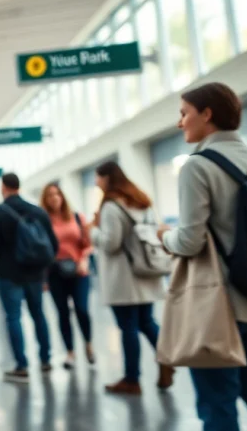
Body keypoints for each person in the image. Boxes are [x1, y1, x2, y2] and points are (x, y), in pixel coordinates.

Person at [159, 82, 247, 430]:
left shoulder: (197, 166)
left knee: (218, 405)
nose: (180, 123)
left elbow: (189, 241)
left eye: (184, 113)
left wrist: (163, 236)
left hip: (219, 304)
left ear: (207, 114)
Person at [89, 161, 173, 395]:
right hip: (146, 272)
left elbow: (111, 243)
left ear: (106, 178)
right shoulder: (140, 200)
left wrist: (93, 231)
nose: (96, 183)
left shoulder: (110, 206)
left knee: (128, 327)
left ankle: (132, 379)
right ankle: (166, 359)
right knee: (146, 322)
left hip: (124, 278)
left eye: (98, 178)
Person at [0, 173, 58, 382]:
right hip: (35, 274)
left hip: (8, 273)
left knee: (13, 317)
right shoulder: (37, 211)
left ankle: (21, 366)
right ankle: (45, 360)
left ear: (3, 187)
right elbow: (53, 244)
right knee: (38, 315)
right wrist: (44, 271)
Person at [40, 183, 95, 369]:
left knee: (81, 308)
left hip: (79, 270)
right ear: (45, 200)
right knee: (62, 312)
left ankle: (88, 343)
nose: (54, 198)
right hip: (55, 272)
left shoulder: (77, 217)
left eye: (56, 194)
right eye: (49, 195)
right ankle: (70, 352)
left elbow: (88, 243)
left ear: (62, 196)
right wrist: (43, 277)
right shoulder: (43, 221)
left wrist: (84, 259)